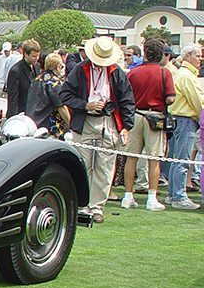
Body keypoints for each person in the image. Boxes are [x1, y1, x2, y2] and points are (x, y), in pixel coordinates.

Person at [58, 36, 136, 223]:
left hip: (108, 121)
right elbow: (64, 94)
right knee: (83, 164)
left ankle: (97, 207)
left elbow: (127, 100)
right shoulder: (79, 70)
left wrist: (126, 126)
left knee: (105, 166)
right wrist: (85, 105)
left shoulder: (116, 72)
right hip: (85, 121)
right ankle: (81, 205)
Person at [120, 38, 174, 211]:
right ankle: (152, 197)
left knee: (131, 157)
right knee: (154, 158)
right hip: (155, 117)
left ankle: (128, 196)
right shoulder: (164, 73)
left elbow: (125, 95)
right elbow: (170, 98)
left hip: (135, 115)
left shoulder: (133, 73)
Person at [165, 42, 203, 210]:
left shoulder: (182, 73)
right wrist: (201, 118)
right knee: (182, 160)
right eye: (198, 55)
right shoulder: (187, 76)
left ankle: (173, 194)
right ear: (188, 56)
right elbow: (197, 102)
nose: (200, 59)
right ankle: (178, 196)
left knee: (176, 159)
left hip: (178, 119)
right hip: (185, 120)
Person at [25, 52, 70, 138]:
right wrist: (70, 123)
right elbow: (61, 106)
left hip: (32, 123)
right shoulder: (54, 82)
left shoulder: (37, 79)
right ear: (57, 66)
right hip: (49, 126)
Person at [5, 39, 41, 118]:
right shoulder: (16, 71)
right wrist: (13, 118)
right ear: (25, 54)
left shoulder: (36, 67)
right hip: (21, 113)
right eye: (34, 56)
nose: (37, 58)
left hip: (34, 112)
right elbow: (13, 97)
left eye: (38, 55)